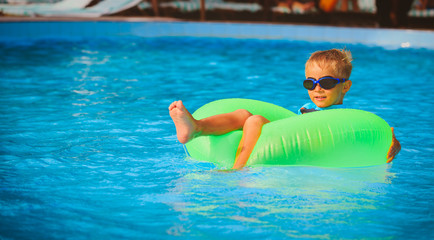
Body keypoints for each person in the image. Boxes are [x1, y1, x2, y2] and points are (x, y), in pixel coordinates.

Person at [169, 49, 401, 169]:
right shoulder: (306, 108)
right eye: (310, 83)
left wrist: (392, 144)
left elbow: (381, 138)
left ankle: (237, 168)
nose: (317, 89)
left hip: (310, 147)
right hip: (287, 138)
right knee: (243, 114)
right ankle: (196, 128)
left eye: (327, 83)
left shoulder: (344, 120)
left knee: (254, 120)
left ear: (346, 87)